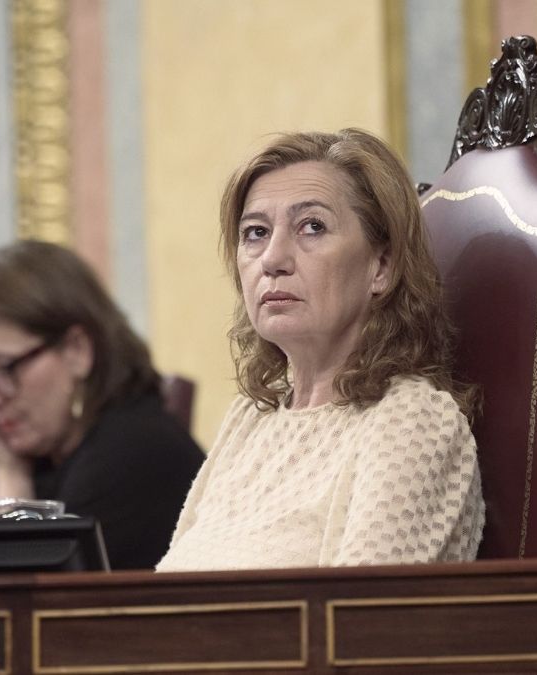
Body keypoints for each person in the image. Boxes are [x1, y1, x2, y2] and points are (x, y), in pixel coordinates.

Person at [157, 129, 484, 571]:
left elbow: (360, 611)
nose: (272, 259)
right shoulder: (252, 417)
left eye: (312, 226)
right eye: (255, 232)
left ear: (381, 267)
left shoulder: (414, 422)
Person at [0, 240, 204, 570]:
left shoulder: (136, 454)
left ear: (76, 351)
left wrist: (12, 483)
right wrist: (8, 470)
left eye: (3, 367)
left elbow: (26, 595)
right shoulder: (2, 454)